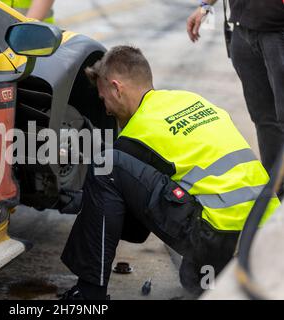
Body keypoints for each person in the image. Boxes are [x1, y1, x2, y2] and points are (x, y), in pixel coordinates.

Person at [59, 45, 281, 299]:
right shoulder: (192, 100)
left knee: (107, 165)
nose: (106, 109)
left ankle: (89, 294)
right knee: (192, 278)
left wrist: (79, 201)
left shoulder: (135, 136)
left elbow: (133, 226)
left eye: (103, 99)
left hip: (218, 237)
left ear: (116, 88)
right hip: (267, 233)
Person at [187, 0, 284, 188]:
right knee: (264, 119)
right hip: (243, 30)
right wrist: (205, 5)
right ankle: (276, 189)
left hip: (278, 33)